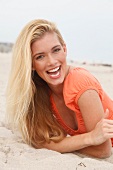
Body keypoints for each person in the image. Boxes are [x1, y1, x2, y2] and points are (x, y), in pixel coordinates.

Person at [6, 19, 113, 158]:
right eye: (40, 56)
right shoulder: (39, 92)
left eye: (56, 50)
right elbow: (40, 141)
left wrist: (64, 144)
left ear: (64, 49)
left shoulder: (81, 83)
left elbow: (102, 150)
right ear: (31, 64)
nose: (52, 62)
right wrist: (90, 139)